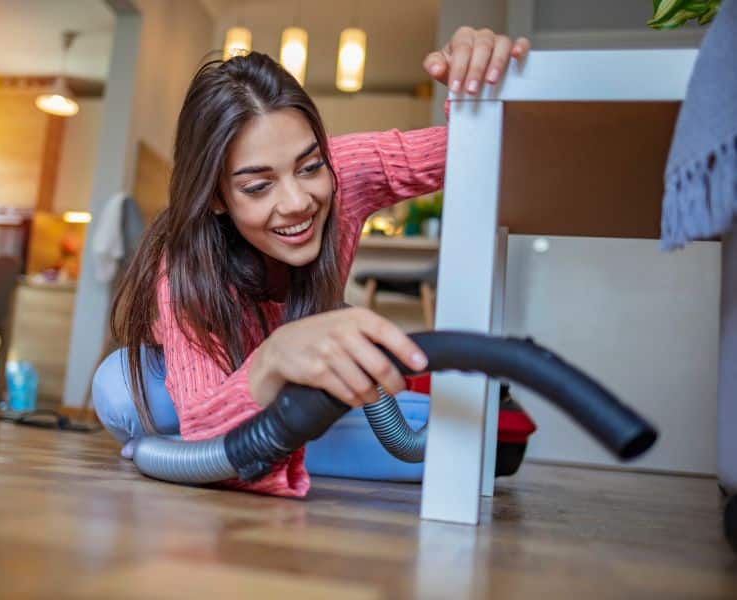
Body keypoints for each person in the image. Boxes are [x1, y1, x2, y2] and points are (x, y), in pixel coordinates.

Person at [95, 27, 530, 497]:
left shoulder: (346, 170)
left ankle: (221, 453)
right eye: (258, 186)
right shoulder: (181, 270)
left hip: (306, 396)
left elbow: (475, 151)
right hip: (217, 394)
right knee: (119, 386)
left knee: (469, 436)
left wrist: (481, 84)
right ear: (216, 198)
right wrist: (272, 359)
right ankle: (221, 453)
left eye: (310, 166)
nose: (298, 201)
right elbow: (206, 428)